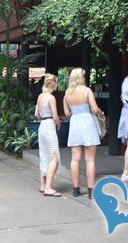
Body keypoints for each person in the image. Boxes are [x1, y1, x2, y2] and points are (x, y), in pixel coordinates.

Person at [64, 68, 104, 197]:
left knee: (75, 159)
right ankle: (91, 191)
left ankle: (76, 189)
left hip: (75, 124)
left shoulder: (67, 93)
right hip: (87, 123)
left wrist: (75, 110)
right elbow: (95, 109)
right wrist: (101, 113)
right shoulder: (87, 91)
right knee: (90, 160)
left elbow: (67, 113)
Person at [34, 74, 61, 197]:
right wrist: (58, 123)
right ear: (53, 84)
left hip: (42, 125)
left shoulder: (40, 96)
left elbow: (36, 114)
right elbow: (55, 116)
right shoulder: (51, 98)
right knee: (54, 157)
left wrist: (43, 117)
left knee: (44, 155)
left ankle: (43, 185)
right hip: (49, 125)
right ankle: (49, 187)